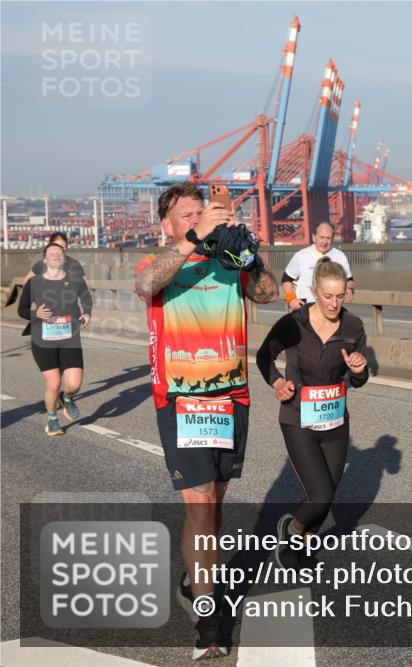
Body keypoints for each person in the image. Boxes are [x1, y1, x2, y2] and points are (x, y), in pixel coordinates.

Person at [134, 182, 278, 660]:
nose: (198, 221)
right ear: (167, 226)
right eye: (188, 216)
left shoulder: (227, 260)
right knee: (198, 504)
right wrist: (195, 239)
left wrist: (249, 257)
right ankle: (208, 617)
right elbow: (145, 285)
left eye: (203, 213)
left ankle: (196, 580)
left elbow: (268, 294)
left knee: (213, 504)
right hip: (182, 400)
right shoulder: (159, 261)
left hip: (231, 398)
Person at [256, 258, 369, 569]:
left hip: (335, 420)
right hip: (298, 419)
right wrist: (278, 382)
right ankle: (291, 529)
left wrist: (359, 370)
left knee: (327, 497)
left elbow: (359, 378)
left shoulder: (353, 326)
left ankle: (297, 552)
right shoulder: (294, 323)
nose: (334, 303)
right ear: (315, 291)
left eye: (340, 296)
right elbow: (264, 356)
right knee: (319, 495)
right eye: (327, 296)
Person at [18, 242, 92, 435]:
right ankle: (52, 420)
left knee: (74, 384)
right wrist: (36, 314)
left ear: (64, 258)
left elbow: (86, 298)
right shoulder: (34, 283)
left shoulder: (75, 280)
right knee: (54, 384)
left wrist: (87, 313)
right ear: (44, 260)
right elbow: (22, 309)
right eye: (52, 253)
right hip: (43, 340)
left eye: (59, 253)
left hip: (70, 338)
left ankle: (67, 398)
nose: (56, 255)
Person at [281, 222, 354, 309]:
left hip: (331, 307)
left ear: (332, 239)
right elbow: (286, 279)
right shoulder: (301, 255)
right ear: (314, 237)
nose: (324, 242)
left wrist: (349, 289)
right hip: (305, 307)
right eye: (322, 237)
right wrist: (291, 299)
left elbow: (349, 280)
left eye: (328, 238)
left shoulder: (340, 256)